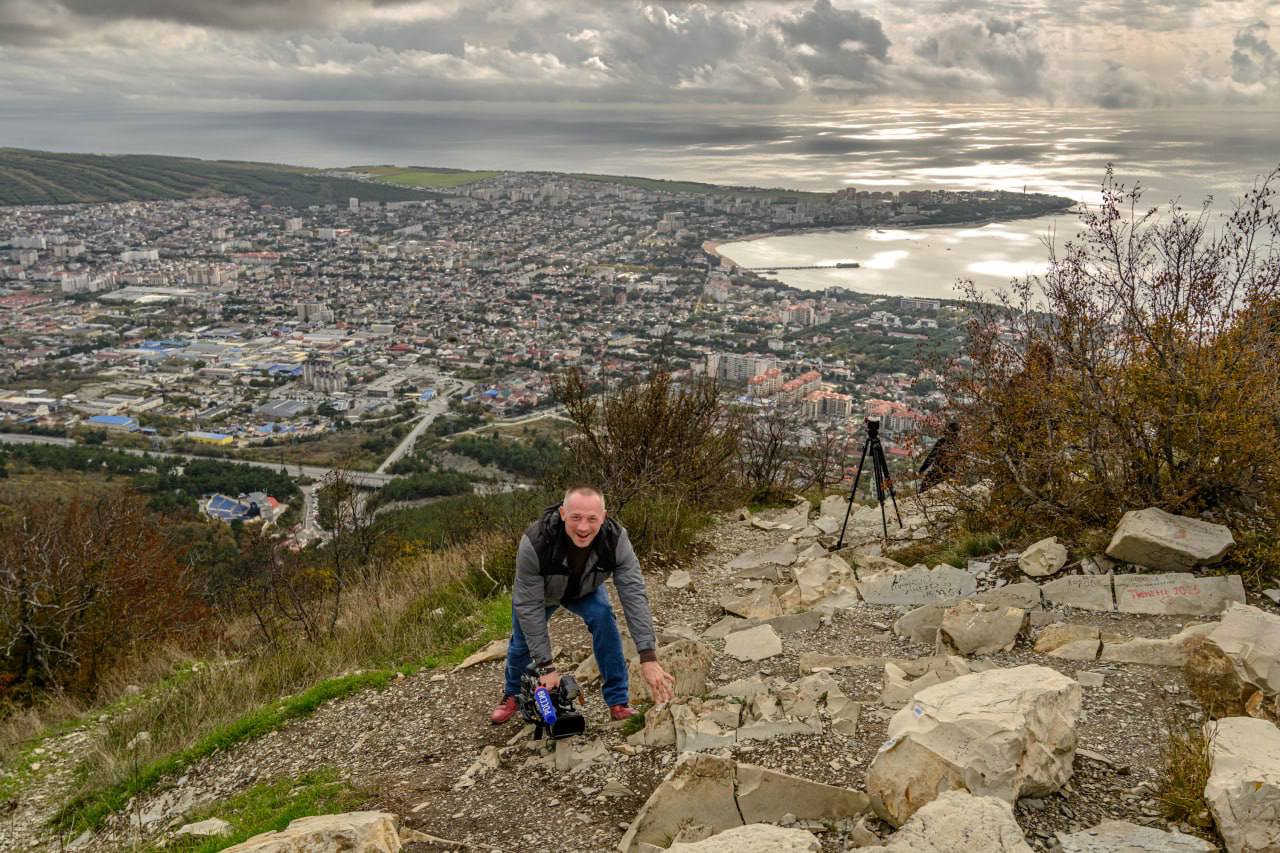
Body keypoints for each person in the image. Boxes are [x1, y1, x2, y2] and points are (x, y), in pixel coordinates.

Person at [490, 485, 676, 724]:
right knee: (521, 642)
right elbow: (528, 605)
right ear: (563, 513)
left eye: (592, 519)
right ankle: (512, 694)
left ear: (604, 517)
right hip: (542, 595)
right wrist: (546, 665)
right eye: (575, 517)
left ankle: (618, 702)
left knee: (604, 618)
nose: (583, 527)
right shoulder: (536, 541)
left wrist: (648, 657)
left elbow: (634, 594)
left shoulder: (616, 540)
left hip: (584, 590)